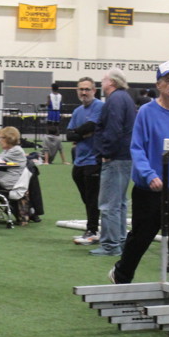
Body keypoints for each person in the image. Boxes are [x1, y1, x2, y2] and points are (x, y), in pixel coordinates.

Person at [109, 60, 169, 284]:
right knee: (141, 238)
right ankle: (121, 275)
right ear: (159, 85)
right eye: (168, 81)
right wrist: (150, 175)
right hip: (151, 189)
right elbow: (137, 148)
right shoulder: (146, 112)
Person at [90, 68, 136, 257]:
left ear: (112, 82)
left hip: (115, 157)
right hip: (125, 156)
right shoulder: (125, 98)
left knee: (109, 204)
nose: (101, 82)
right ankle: (120, 240)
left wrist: (106, 152)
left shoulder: (115, 100)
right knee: (120, 203)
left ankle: (110, 244)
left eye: (104, 79)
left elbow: (113, 129)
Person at [67, 77, 104, 245]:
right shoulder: (77, 111)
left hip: (94, 160)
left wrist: (78, 133)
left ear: (94, 91)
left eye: (87, 89)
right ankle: (94, 227)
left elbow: (91, 126)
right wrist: (82, 134)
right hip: (79, 161)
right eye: (81, 89)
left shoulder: (99, 106)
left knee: (92, 198)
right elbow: (69, 135)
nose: (84, 92)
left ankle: (93, 230)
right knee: (87, 199)